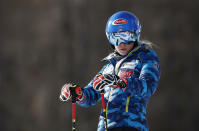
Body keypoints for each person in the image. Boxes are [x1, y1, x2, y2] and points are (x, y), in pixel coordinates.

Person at [60, 11, 161, 131]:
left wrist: (121, 82)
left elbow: (148, 86)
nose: (122, 43)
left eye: (127, 37)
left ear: (136, 35)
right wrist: (77, 93)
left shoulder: (144, 58)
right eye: (116, 38)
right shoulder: (109, 67)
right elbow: (91, 95)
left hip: (130, 125)